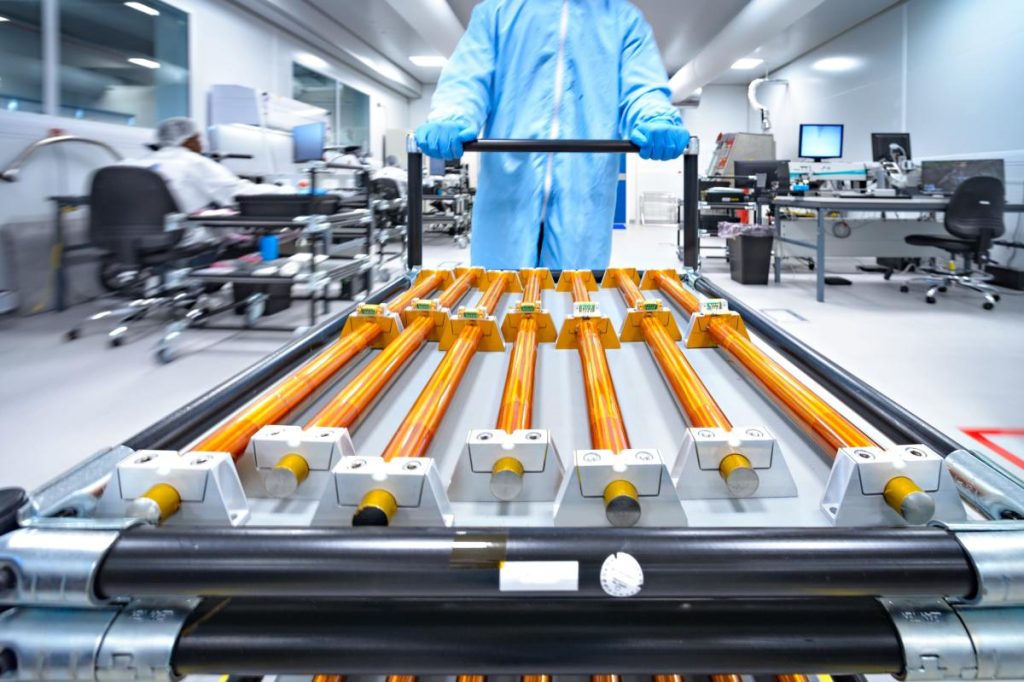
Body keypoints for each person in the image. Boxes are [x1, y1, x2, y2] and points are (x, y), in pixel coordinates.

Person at [415, 0, 689, 270]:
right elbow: (468, 78)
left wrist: (654, 118)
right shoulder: (496, 13)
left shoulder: (623, 21)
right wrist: (451, 116)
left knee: (573, 305)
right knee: (500, 304)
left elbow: (642, 88)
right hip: (506, 206)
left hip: (582, 209)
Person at [124, 117, 287, 245]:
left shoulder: (133, 162)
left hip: (130, 237)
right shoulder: (192, 161)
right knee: (230, 233)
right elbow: (236, 193)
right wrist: (284, 190)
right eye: (199, 138)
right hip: (182, 236)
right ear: (188, 140)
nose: (202, 144)